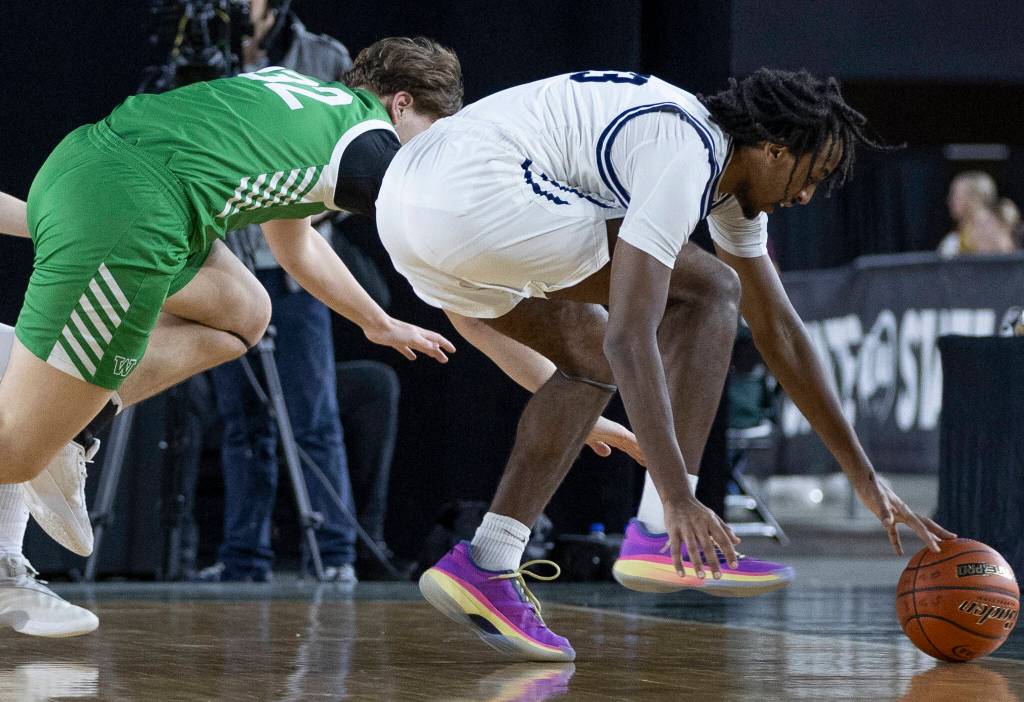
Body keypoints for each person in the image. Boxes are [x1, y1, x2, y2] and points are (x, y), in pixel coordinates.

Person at [376, 68, 955, 661]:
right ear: (774, 150)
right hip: (476, 192)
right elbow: (633, 336)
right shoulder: (688, 145)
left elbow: (780, 329)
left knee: (590, 360)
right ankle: (656, 529)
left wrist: (862, 473)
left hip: (406, 217)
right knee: (707, 291)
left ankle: (489, 559)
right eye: (811, 175)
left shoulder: (726, 182)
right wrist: (677, 497)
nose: (806, 197)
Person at [0, 36, 464, 633]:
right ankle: (38, 473)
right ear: (401, 105)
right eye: (436, 136)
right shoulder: (372, 145)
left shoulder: (304, 98)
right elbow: (448, 249)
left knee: (245, 310)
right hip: (136, 211)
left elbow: (293, 245)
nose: (431, 158)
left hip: (95, 163)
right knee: (14, 452)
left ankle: (68, 432)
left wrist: (374, 320)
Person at [198, 0, 361, 584]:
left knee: (311, 413)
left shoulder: (323, 56)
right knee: (242, 421)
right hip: (227, 264)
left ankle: (336, 553)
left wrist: (296, 219)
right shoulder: (206, 56)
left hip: (297, 266)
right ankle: (245, 558)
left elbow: (351, 154)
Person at [937, 171, 998, 256]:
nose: (949, 201)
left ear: (973, 199)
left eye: (955, 195)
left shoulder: (995, 234)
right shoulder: (955, 239)